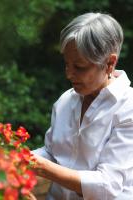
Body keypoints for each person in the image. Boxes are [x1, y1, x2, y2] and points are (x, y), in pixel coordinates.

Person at [32, 12, 133, 200]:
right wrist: (16, 156)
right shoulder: (66, 101)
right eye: (66, 64)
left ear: (110, 63)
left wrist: (41, 166)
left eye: (79, 67)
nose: (69, 74)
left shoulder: (128, 108)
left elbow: (107, 186)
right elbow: (53, 153)